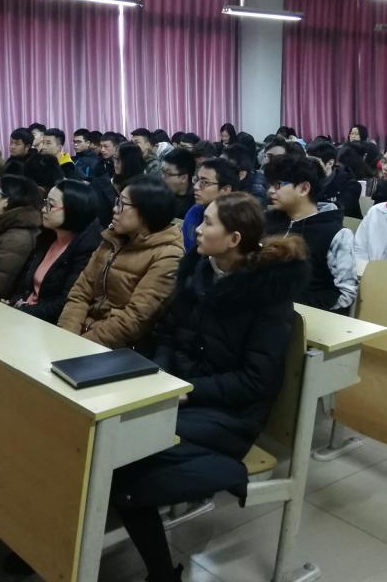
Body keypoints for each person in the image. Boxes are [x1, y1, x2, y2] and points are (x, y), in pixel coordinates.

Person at [112, 194, 308, 582]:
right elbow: (168, 334)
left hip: (229, 415)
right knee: (104, 433)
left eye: (209, 223)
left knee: (126, 456)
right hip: (181, 395)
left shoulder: (268, 295)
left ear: (234, 239)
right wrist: (164, 378)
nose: (197, 230)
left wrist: (189, 390)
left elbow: (255, 380)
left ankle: (162, 574)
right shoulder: (198, 269)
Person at [58, 176, 184, 348]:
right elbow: (80, 292)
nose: (115, 209)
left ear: (146, 211)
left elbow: (134, 320)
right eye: (117, 201)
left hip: (118, 348)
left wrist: (80, 345)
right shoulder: (113, 239)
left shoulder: (168, 255)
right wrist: (67, 336)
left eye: (122, 204)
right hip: (78, 335)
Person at [264, 154, 356, 312]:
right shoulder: (268, 221)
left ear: (304, 189)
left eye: (278, 185)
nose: (270, 191)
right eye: (270, 184)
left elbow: (345, 294)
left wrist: (292, 307)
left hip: (309, 318)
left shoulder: (335, 234)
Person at [9, 180, 102, 324]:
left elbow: (66, 301)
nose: (43, 209)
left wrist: (24, 310)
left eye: (50, 205)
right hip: (25, 314)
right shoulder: (47, 237)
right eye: (45, 203)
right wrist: (15, 302)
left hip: (47, 323)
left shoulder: (86, 248)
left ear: (73, 210)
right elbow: (23, 283)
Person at [182, 157, 238, 251]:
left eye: (204, 182)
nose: (196, 187)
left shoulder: (237, 223)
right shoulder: (195, 211)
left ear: (225, 190)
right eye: (196, 180)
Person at [92, 141, 144, 227]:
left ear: (130, 161)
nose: (115, 163)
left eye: (119, 160)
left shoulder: (141, 186)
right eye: (114, 158)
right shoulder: (111, 180)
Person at [307, 142, 362, 219]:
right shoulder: (307, 181)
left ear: (330, 163)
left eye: (314, 163)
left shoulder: (350, 184)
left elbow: (340, 211)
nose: (308, 166)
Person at [160, 148, 196, 219]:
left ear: (183, 178)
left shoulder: (195, 204)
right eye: (162, 171)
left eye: (168, 174)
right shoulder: (160, 194)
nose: (162, 177)